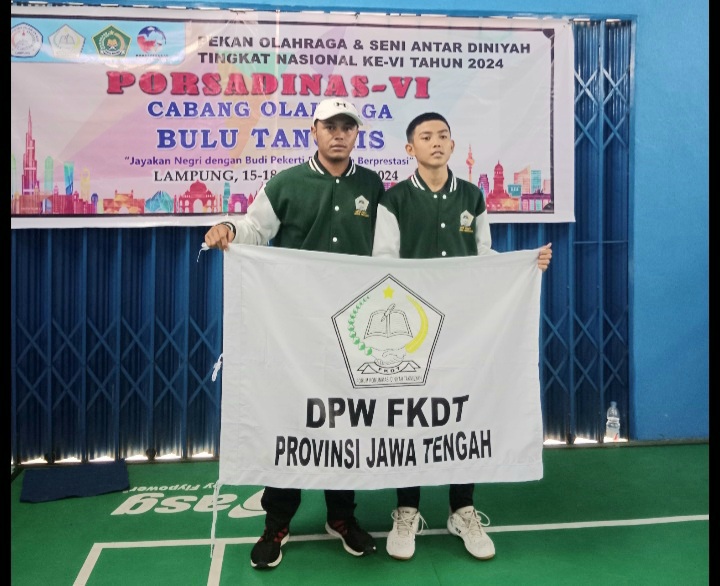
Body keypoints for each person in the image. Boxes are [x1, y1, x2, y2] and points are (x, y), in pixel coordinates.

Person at [204, 98, 385, 570]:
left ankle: (341, 517)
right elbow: (254, 227)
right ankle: (277, 523)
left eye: (347, 127)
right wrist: (227, 227)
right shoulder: (285, 182)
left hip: (351, 328)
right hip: (294, 325)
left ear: (356, 134)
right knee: (291, 420)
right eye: (330, 126)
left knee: (346, 423)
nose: (339, 134)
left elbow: (388, 249)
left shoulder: (372, 185)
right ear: (314, 130)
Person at [372, 112, 552, 562]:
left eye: (443, 136)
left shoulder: (472, 195)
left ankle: (462, 508)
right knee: (411, 414)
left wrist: (523, 265)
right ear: (410, 148)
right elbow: (383, 262)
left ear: (453, 145)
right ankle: (407, 509)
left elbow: (484, 255)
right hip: (415, 329)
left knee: (463, 410)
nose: (436, 142)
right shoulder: (394, 200)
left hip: (466, 326)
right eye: (425, 137)